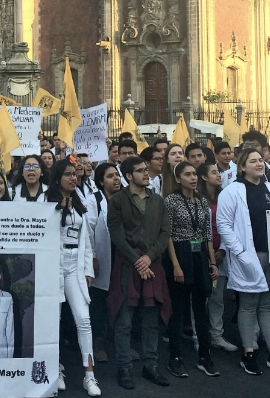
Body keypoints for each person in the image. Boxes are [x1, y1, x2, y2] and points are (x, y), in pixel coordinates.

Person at [216, 147, 270, 376]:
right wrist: (240, 252)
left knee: (268, 303)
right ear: (242, 166)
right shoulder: (231, 191)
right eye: (253, 161)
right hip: (249, 256)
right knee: (248, 305)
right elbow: (224, 225)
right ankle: (248, 352)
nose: (259, 164)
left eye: (261, 160)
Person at [107, 156, 171, 390]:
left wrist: (149, 257)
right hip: (127, 264)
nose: (146, 173)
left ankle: (150, 366)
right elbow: (116, 234)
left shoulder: (158, 200)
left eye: (146, 169)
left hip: (152, 263)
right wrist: (137, 261)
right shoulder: (117, 200)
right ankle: (124, 368)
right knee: (124, 319)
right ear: (128, 176)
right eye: (140, 170)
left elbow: (165, 232)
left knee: (151, 319)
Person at [39, 159, 101, 396]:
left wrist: (87, 270)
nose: (73, 178)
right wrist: (57, 210)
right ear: (57, 179)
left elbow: (86, 240)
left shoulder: (79, 202)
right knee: (52, 321)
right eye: (68, 174)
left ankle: (89, 375)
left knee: (84, 319)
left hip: (75, 265)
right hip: (53, 266)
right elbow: (41, 232)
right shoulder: (45, 201)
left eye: (75, 174)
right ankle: (55, 369)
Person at [163, 162, 220, 377]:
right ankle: (175, 357)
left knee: (201, 308)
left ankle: (204, 356)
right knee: (178, 308)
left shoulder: (202, 201)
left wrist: (212, 262)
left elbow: (207, 235)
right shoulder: (171, 201)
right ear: (178, 179)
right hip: (180, 252)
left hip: (199, 256)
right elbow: (168, 234)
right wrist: (176, 264)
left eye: (194, 174)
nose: (193, 178)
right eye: (187, 175)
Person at [197, 162, 237, 353]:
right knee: (199, 298)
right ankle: (199, 336)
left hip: (221, 252)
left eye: (218, 172)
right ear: (204, 177)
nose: (219, 175)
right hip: (202, 252)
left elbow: (230, 224)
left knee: (217, 297)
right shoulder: (197, 198)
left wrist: (222, 250)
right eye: (214, 172)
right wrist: (208, 252)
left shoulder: (225, 196)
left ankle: (216, 335)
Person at [89, 163, 121, 363]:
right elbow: (89, 230)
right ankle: (98, 342)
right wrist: (92, 256)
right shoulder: (94, 200)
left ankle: (120, 340)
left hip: (122, 254)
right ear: (101, 181)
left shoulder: (125, 198)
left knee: (122, 297)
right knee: (100, 300)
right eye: (110, 176)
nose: (116, 179)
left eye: (117, 175)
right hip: (102, 256)